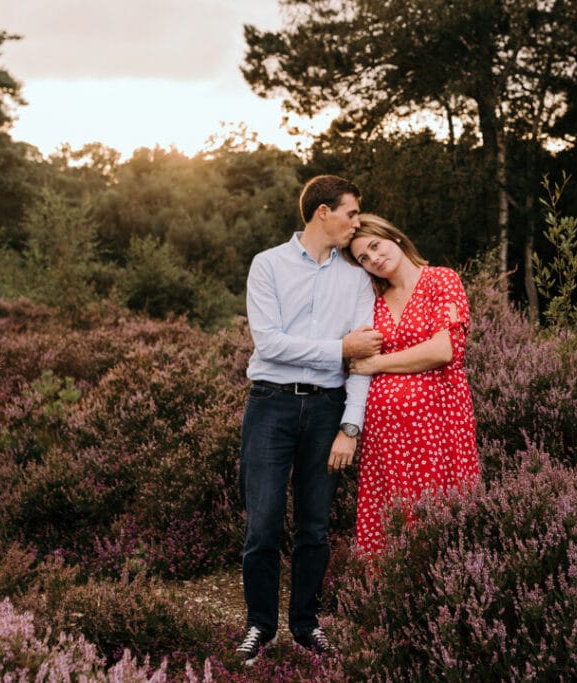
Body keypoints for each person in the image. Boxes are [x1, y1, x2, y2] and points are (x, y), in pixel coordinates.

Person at [237, 175, 381, 663]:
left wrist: (350, 425)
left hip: (327, 410)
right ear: (323, 211)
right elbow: (270, 344)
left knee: (315, 527)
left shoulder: (358, 279)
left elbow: (362, 362)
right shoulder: (268, 265)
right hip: (270, 405)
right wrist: (339, 349)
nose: (355, 223)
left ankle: (305, 625)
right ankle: (259, 626)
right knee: (262, 523)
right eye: (350, 213)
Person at [344, 214, 480, 558]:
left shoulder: (441, 281)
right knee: (389, 521)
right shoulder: (372, 302)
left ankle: (444, 600)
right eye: (363, 257)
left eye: (375, 246)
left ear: (396, 237)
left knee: (439, 515)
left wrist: (377, 364)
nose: (373, 258)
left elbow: (443, 350)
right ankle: (390, 603)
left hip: (437, 427)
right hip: (385, 437)